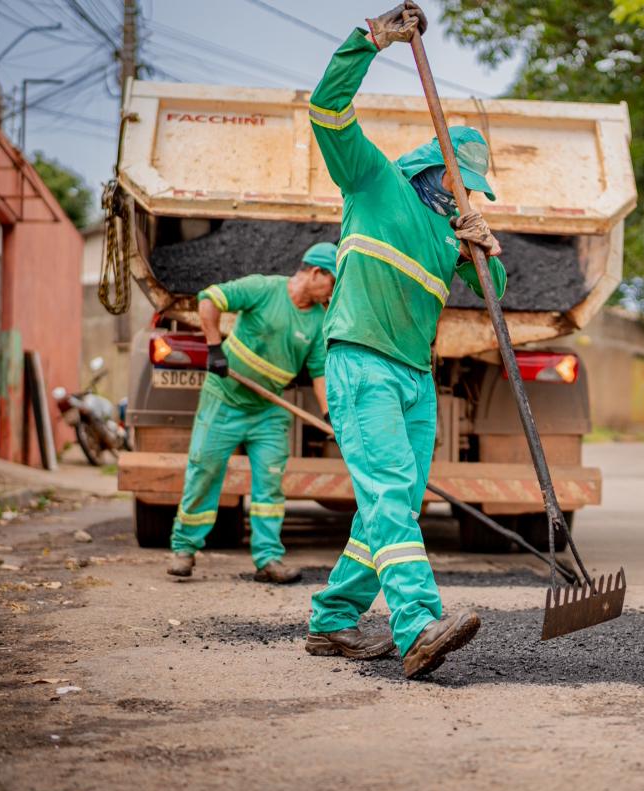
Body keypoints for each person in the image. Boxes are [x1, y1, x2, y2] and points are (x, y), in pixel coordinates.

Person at [303, 2, 508, 677]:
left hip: (415, 381)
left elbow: (498, 290)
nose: (465, 200)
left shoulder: (449, 238)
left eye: (472, 196)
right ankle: (419, 624)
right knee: (390, 496)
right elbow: (326, 110)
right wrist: (369, 42)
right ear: (438, 171)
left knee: (391, 505)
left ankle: (334, 620)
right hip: (361, 365)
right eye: (463, 190)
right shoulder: (373, 180)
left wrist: (486, 245)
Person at [167, 244, 351, 587]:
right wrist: (213, 347)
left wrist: (329, 415)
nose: (333, 292)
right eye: (332, 282)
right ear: (315, 273)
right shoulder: (264, 289)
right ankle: (184, 549)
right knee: (204, 470)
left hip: (269, 410)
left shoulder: (317, 321)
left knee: (270, 481)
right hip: (224, 399)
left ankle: (268, 558)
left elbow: (318, 372)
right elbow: (210, 299)